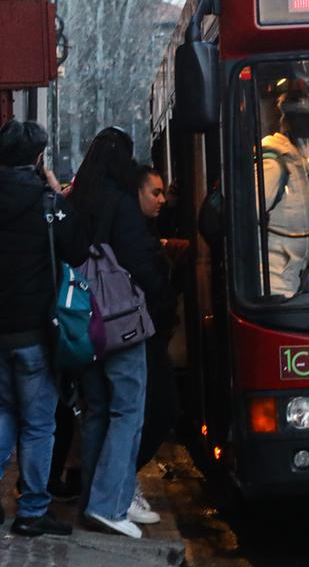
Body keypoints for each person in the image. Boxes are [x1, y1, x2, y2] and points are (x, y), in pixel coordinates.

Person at [0, 120, 88, 537]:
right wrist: (56, 189)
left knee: (8, 409)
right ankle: (31, 510)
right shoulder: (47, 204)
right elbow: (78, 248)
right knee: (38, 423)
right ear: (37, 158)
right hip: (36, 332)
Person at [67, 127, 164, 539]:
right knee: (129, 410)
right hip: (120, 322)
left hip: (83, 325)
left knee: (97, 412)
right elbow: (139, 262)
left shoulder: (74, 202)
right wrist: (159, 287)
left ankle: (98, 498)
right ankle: (110, 503)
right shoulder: (122, 204)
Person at [130, 166, 185, 525]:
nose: (162, 199)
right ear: (137, 194)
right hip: (138, 333)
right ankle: (118, 484)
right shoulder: (131, 233)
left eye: (164, 192)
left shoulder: (144, 229)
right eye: (155, 192)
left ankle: (119, 483)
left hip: (145, 331)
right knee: (151, 409)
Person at [260, 95, 309, 296]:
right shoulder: (273, 167)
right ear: (306, 140)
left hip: (289, 284)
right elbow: (244, 222)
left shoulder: (298, 171)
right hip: (271, 287)